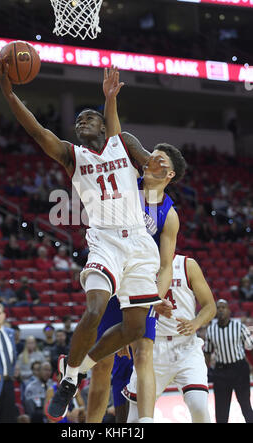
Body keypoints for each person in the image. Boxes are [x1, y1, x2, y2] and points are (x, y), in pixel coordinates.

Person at [0, 57, 172, 423]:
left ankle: (75, 368)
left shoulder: (120, 142)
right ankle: (71, 378)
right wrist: (9, 92)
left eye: (88, 117)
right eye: (78, 120)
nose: (81, 122)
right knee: (94, 310)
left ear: (103, 123)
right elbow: (35, 130)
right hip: (105, 241)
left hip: (139, 242)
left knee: (136, 329)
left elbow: (145, 160)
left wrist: (153, 165)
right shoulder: (70, 155)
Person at [86, 66, 185, 423]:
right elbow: (114, 136)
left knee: (144, 351)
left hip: (141, 284)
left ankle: (145, 422)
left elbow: (165, 264)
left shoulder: (169, 214)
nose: (150, 159)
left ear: (169, 173)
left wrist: (156, 297)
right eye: (150, 155)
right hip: (113, 278)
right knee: (101, 366)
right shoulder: (127, 181)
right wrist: (110, 99)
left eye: (159, 159)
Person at [123, 254, 216, 423]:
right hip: (151, 346)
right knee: (135, 419)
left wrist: (195, 323)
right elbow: (127, 305)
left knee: (199, 407)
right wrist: (123, 337)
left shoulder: (187, 264)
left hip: (186, 346)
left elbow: (210, 306)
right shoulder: (137, 265)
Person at [204, 299, 253, 423]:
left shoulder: (239, 327)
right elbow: (208, 353)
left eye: (223, 307)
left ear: (229, 311)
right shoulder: (211, 330)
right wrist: (204, 372)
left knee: (245, 405)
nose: (221, 310)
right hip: (221, 372)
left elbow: (250, 347)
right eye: (218, 307)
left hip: (239, 369)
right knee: (221, 410)